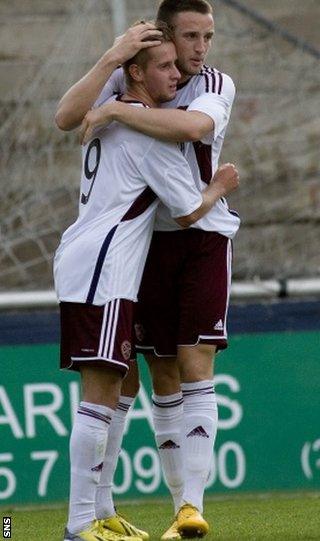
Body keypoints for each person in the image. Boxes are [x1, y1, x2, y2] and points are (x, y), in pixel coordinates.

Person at [54, 22, 239, 541]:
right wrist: (220, 185)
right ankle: (77, 525)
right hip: (106, 266)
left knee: (120, 384)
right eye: (164, 66)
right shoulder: (140, 124)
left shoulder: (121, 109)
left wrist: (114, 101)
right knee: (100, 392)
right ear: (134, 71)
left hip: (88, 259)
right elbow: (186, 209)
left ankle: (102, 512)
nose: (178, 74)